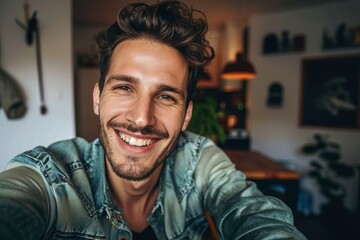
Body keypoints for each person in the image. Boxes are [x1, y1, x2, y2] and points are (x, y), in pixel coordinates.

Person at [0, 1, 307, 239]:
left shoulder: (198, 160)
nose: (141, 118)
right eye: (124, 87)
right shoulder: (50, 177)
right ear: (97, 98)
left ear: (186, 115)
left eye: (165, 96)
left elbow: (251, 212)